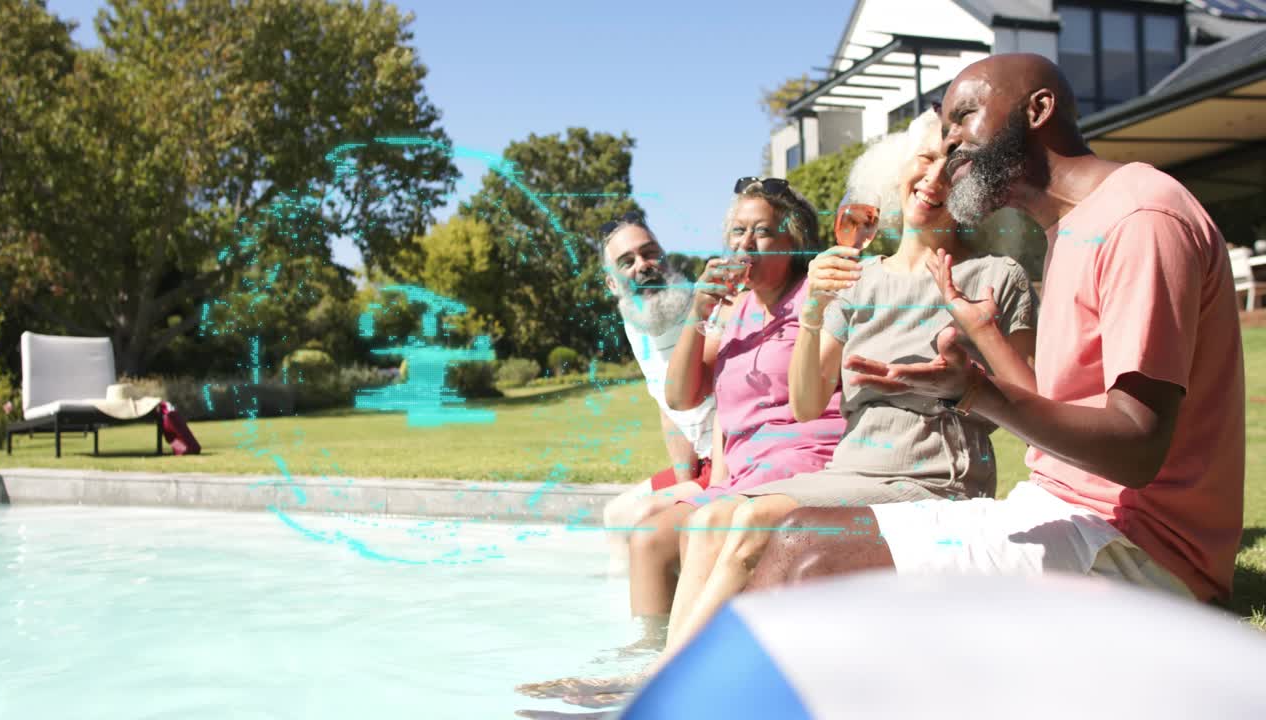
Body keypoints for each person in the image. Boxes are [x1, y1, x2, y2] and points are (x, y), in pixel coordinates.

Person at [749, 53, 1245, 607]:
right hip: (1061, 508)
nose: (951, 142)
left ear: (1038, 109)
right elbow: (1059, 410)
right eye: (943, 130)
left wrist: (977, 393)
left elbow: (1137, 451)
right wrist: (984, 334)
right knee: (798, 536)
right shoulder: (1071, 228)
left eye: (963, 117)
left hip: (1145, 553)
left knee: (808, 555)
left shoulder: (1140, 219)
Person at [647, 108, 1041, 666]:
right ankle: (668, 674)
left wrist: (973, 370)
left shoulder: (997, 277)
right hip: (853, 473)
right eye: (925, 160)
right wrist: (814, 310)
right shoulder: (860, 279)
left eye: (952, 169)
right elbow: (808, 403)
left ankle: (663, 687)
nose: (933, 177)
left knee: (751, 520)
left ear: (975, 191)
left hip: (933, 479)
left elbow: (1033, 405)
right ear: (896, 172)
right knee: (714, 516)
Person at [516, 178, 844, 704]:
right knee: (647, 536)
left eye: (762, 232)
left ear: (793, 240)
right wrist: (699, 310)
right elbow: (681, 396)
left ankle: (665, 682)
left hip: (803, 464)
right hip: (742, 475)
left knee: (698, 526)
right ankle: (644, 660)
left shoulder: (818, 299)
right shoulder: (735, 311)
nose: (745, 243)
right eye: (736, 231)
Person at [597, 213, 719, 576]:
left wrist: (691, 492)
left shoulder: (708, 309)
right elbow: (666, 407)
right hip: (704, 467)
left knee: (643, 516)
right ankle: (632, 619)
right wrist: (685, 484)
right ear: (612, 285)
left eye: (650, 254)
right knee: (615, 515)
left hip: (735, 461)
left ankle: (660, 625)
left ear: (666, 259)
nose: (642, 266)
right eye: (627, 262)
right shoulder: (637, 320)